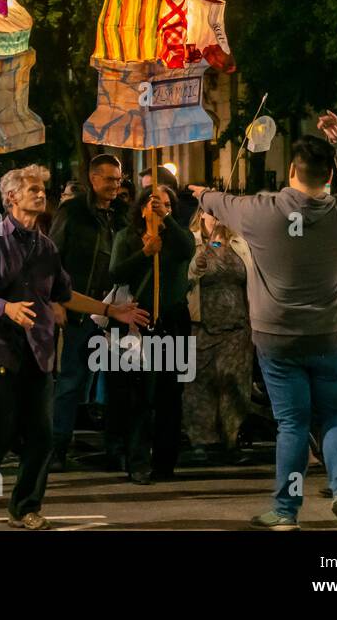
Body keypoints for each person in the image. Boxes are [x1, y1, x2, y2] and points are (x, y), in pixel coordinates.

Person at [189, 111, 337, 531]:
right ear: (329, 176)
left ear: (291, 170)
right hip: (329, 332)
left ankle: (287, 512)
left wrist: (201, 195)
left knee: (293, 423)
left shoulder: (260, 211)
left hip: (276, 335)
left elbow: (216, 200)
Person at [0, 165, 147, 529]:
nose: (40, 194)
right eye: (32, 189)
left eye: (42, 189)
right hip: (1, 348)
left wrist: (110, 310)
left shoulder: (45, 245)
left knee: (42, 436)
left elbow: (63, 294)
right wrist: (5, 307)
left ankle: (25, 507)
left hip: (40, 350)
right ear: (11, 197)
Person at [106, 184, 195, 483]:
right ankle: (138, 461)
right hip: (140, 321)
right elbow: (116, 272)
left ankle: (165, 461)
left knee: (172, 394)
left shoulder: (177, 236)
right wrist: (144, 253)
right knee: (139, 395)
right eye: (154, 203)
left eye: (167, 204)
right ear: (142, 207)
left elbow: (187, 250)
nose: (160, 208)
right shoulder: (126, 237)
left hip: (174, 320)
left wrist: (166, 220)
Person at [48, 153, 123, 470]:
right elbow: (52, 257)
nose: (115, 186)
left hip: (116, 309)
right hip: (80, 307)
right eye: (109, 179)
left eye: (118, 180)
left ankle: (117, 448)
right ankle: (57, 449)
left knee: (119, 381)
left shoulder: (122, 215)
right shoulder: (73, 212)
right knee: (70, 381)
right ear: (93, 179)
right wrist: (56, 299)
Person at [183, 205, 253, 464]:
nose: (219, 217)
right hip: (201, 323)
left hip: (236, 325)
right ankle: (201, 440)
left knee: (234, 382)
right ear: (201, 214)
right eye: (213, 212)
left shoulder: (239, 244)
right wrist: (195, 267)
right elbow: (184, 277)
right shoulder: (192, 243)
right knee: (199, 384)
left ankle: (231, 438)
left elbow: (251, 279)